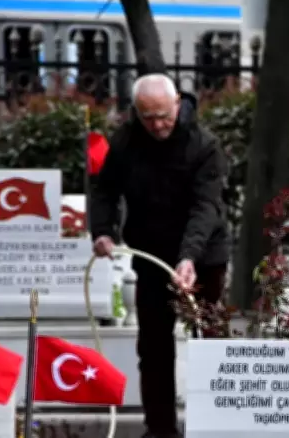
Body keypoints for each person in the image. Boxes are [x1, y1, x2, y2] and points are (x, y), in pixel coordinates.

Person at [90, 74, 229, 438]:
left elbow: (206, 207)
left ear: (177, 103)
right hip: (150, 254)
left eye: (164, 116)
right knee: (153, 346)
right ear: (136, 112)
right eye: (148, 117)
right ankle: (160, 428)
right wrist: (102, 231)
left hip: (203, 255)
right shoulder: (126, 140)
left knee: (208, 339)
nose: (157, 125)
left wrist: (189, 257)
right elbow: (105, 190)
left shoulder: (204, 145)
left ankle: (213, 424)